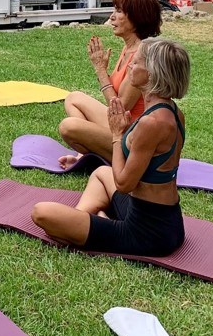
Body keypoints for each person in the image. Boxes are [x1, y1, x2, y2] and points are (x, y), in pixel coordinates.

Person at [31, 37, 189, 257]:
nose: (131, 65)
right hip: (163, 217)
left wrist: (117, 136)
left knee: (42, 213)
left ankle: (85, 224)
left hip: (147, 232)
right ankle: (84, 217)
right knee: (101, 172)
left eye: (137, 62)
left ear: (152, 73)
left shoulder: (152, 123)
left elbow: (124, 183)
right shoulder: (171, 110)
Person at [58, 0, 162, 169]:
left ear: (137, 17)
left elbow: (120, 109)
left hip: (131, 135)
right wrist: (102, 71)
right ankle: (87, 153)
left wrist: (100, 72)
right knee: (73, 98)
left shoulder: (141, 56)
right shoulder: (129, 47)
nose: (112, 17)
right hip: (120, 125)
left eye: (119, 11)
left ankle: (108, 155)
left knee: (68, 126)